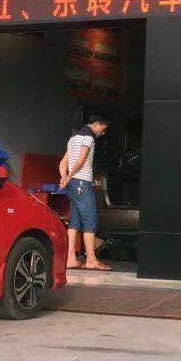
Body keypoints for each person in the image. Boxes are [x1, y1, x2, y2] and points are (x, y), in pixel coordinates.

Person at [59, 115, 110, 271]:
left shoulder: (73, 138)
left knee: (75, 220)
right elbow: (80, 161)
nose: (103, 133)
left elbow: (63, 162)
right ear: (96, 124)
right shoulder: (88, 138)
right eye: (103, 129)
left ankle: (70, 259)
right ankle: (91, 260)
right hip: (82, 182)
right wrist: (69, 176)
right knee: (90, 218)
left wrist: (64, 177)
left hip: (72, 184)